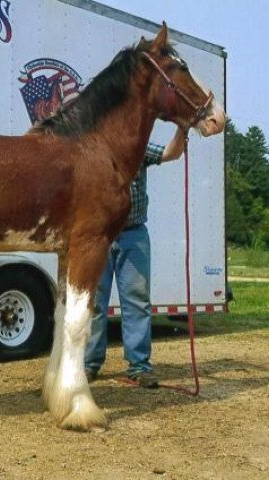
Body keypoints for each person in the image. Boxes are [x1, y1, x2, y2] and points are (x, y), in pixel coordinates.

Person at [84, 126, 187, 387]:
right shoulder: (93, 149)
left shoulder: (139, 145)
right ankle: (89, 364)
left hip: (133, 234)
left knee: (136, 302)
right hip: (100, 236)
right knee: (94, 303)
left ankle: (139, 366)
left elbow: (170, 154)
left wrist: (182, 129)